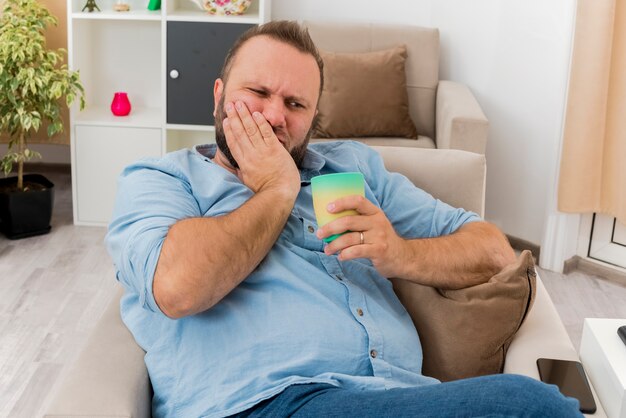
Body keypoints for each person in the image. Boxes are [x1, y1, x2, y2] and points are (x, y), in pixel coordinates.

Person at [106, 21, 582, 418]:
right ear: (218, 95)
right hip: (263, 403)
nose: (275, 116)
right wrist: (278, 187)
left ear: (314, 119)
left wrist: (400, 253)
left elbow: (493, 250)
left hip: (397, 397)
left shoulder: (349, 169)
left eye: (296, 105)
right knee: (531, 407)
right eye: (258, 92)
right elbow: (177, 286)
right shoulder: (165, 179)